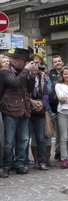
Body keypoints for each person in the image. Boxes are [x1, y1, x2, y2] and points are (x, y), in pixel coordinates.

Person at [0, 48, 36, 176]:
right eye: (20, 60)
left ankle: (20, 163)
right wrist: (26, 70)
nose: (21, 63)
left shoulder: (23, 72)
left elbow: (29, 89)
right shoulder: (5, 71)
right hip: (9, 110)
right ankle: (6, 165)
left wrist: (32, 77)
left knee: (24, 139)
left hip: (24, 110)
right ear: (14, 60)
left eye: (23, 61)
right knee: (9, 141)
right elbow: (15, 83)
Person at [27, 62, 51, 170]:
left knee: (40, 138)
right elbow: (23, 92)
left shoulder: (41, 78)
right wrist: (32, 102)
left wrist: (42, 104)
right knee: (26, 138)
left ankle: (42, 162)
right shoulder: (24, 77)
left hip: (40, 111)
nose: (35, 69)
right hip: (27, 110)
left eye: (37, 68)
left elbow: (45, 93)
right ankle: (28, 161)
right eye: (33, 67)